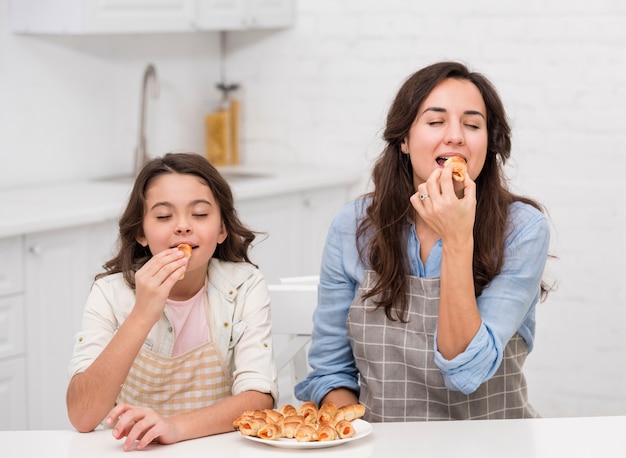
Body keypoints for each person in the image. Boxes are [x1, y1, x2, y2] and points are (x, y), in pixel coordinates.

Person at [295, 61, 553, 421]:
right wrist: (350, 434)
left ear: (489, 144)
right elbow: (331, 372)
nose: (456, 136)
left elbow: (465, 373)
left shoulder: (522, 229)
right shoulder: (353, 226)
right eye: (435, 122)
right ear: (404, 139)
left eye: (473, 124)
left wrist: (457, 237)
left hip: (492, 445)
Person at [66, 152, 277, 450]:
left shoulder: (244, 286)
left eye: (200, 214)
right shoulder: (109, 294)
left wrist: (174, 427)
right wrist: (142, 314)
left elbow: (259, 398)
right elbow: (82, 416)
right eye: (164, 216)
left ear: (221, 229)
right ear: (140, 231)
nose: (182, 226)